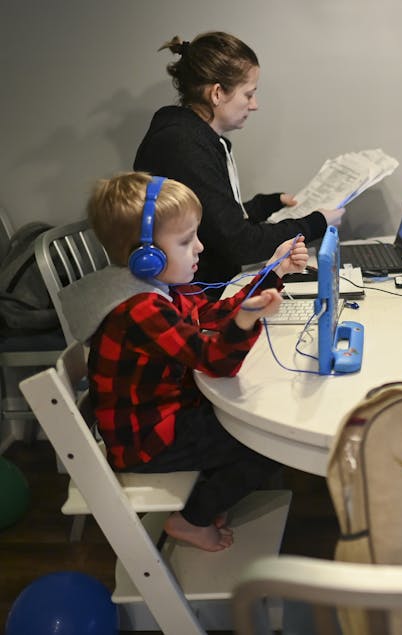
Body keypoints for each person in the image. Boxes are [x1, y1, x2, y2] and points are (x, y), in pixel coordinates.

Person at [59, 172, 309, 551]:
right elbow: (217, 361)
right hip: (148, 439)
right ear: (147, 257)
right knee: (266, 444)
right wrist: (245, 321)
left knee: (253, 429)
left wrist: (272, 274)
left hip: (165, 416)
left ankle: (207, 501)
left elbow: (210, 314)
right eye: (186, 240)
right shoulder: (140, 308)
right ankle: (192, 520)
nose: (200, 248)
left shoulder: (159, 287)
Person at [134, 31, 343, 290]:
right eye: (248, 94)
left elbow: (212, 218)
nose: (253, 105)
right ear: (218, 93)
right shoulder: (182, 145)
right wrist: (316, 222)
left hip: (207, 286)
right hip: (198, 298)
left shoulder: (194, 137)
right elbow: (238, 243)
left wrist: (264, 205)